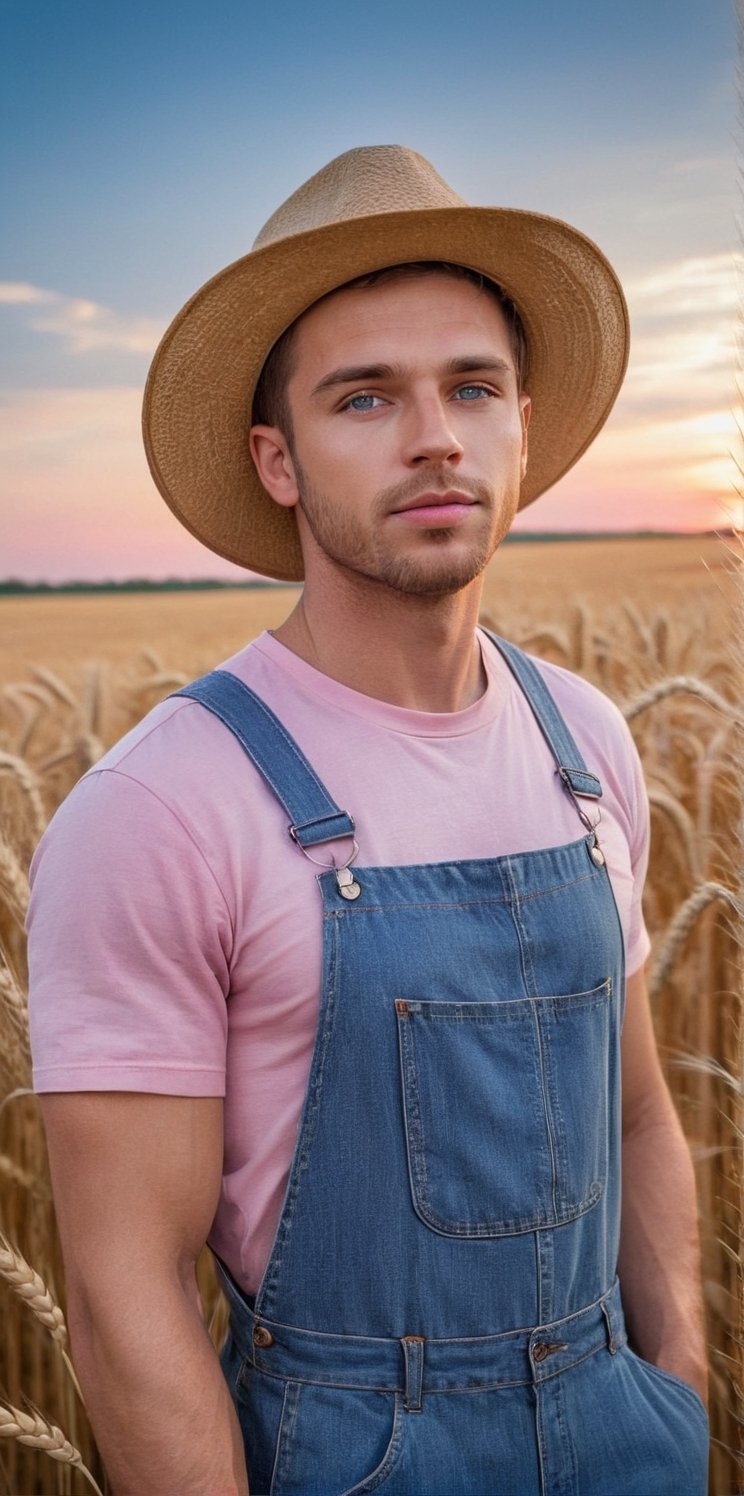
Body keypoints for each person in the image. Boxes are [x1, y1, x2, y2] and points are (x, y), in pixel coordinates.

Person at [27, 145, 709, 1496]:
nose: (435, 434)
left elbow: (636, 1115)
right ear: (277, 461)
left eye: (472, 385)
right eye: (365, 397)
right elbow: (126, 1293)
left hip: (625, 1437)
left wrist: (677, 1393)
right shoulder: (163, 808)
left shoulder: (586, 742)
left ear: (522, 423)